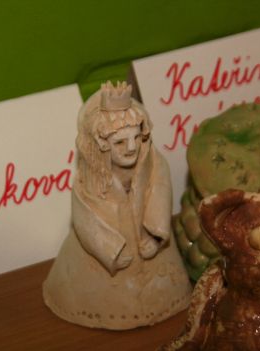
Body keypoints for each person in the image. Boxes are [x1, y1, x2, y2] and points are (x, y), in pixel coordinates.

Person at [43, 82, 191, 330]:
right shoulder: (89, 180)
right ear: (101, 144)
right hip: (108, 258)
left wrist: (155, 237)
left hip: (149, 247)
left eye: (136, 138)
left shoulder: (154, 164)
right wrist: (110, 251)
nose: (131, 148)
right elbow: (86, 220)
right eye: (120, 142)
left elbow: (160, 196)